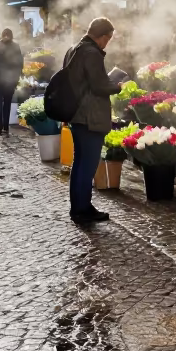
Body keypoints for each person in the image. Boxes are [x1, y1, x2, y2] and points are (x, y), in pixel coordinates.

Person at [64, 18, 123, 225]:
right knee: (87, 164)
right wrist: (117, 86)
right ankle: (81, 209)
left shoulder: (74, 49)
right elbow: (99, 86)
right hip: (89, 116)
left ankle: (81, 206)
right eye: (109, 38)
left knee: (80, 163)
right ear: (103, 36)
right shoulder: (92, 53)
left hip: (76, 114)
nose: (108, 43)